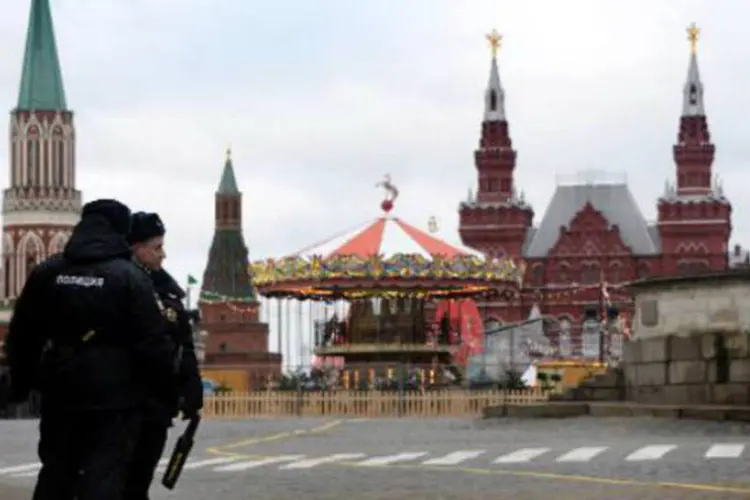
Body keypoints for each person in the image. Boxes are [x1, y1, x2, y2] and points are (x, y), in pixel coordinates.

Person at [2, 199, 178, 500]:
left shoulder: (48, 272)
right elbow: (154, 345)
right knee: (104, 476)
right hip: (116, 400)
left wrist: (20, 386)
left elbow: (22, 337)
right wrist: (164, 396)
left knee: (56, 472)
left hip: (61, 393)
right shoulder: (130, 278)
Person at [123, 211, 203, 500]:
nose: (163, 255)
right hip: (126, 404)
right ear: (137, 248)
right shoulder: (122, 285)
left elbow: (183, 344)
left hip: (157, 406)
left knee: (140, 478)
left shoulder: (168, 291)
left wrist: (191, 390)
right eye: (156, 247)